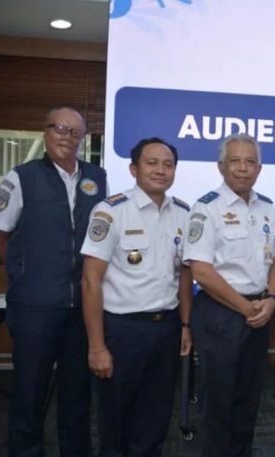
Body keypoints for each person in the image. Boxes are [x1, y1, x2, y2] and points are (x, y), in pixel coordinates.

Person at [0, 106, 106, 457]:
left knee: (77, 395)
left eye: (75, 132)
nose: (67, 137)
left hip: (81, 307)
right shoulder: (21, 178)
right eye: (60, 128)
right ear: (45, 132)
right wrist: (25, 269)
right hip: (34, 307)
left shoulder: (97, 177)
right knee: (30, 393)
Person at [80, 138, 193, 456]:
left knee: (156, 417)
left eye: (168, 164)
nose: (161, 170)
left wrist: (185, 325)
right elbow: (90, 281)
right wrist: (96, 347)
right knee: (116, 419)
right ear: (133, 169)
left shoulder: (183, 213)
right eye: (151, 163)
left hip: (166, 328)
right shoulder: (111, 211)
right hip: (122, 331)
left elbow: (184, 274)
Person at [183, 133, 275, 457]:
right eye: (235, 161)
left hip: (259, 311)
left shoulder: (267, 206)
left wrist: (272, 299)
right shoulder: (206, 208)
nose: (243, 168)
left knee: (248, 400)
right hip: (220, 316)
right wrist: (246, 308)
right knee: (217, 404)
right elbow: (201, 271)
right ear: (221, 166)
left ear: (259, 168)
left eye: (250, 162)